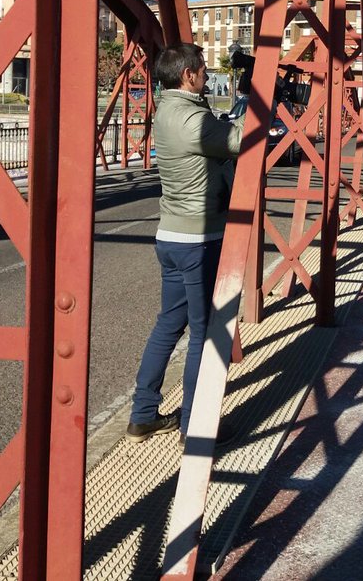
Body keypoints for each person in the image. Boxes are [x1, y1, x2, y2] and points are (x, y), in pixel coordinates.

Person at [126, 43, 244, 442]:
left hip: (170, 236)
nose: (208, 76)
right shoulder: (195, 120)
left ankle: (143, 415)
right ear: (189, 74)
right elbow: (243, 141)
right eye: (204, 70)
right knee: (203, 333)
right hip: (199, 239)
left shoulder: (166, 112)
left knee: (168, 325)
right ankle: (195, 427)